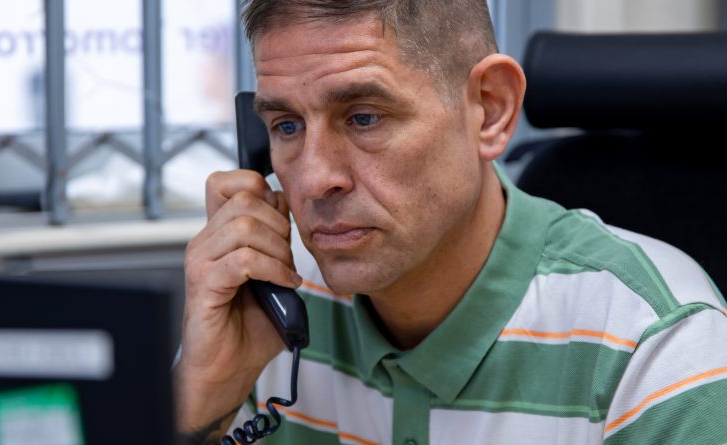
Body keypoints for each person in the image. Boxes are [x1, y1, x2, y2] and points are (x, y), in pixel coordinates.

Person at [174, 1, 727, 444]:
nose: (315, 179)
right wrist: (198, 406)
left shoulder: (659, 345)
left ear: (489, 108)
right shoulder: (268, 296)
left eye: (364, 117)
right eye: (287, 126)